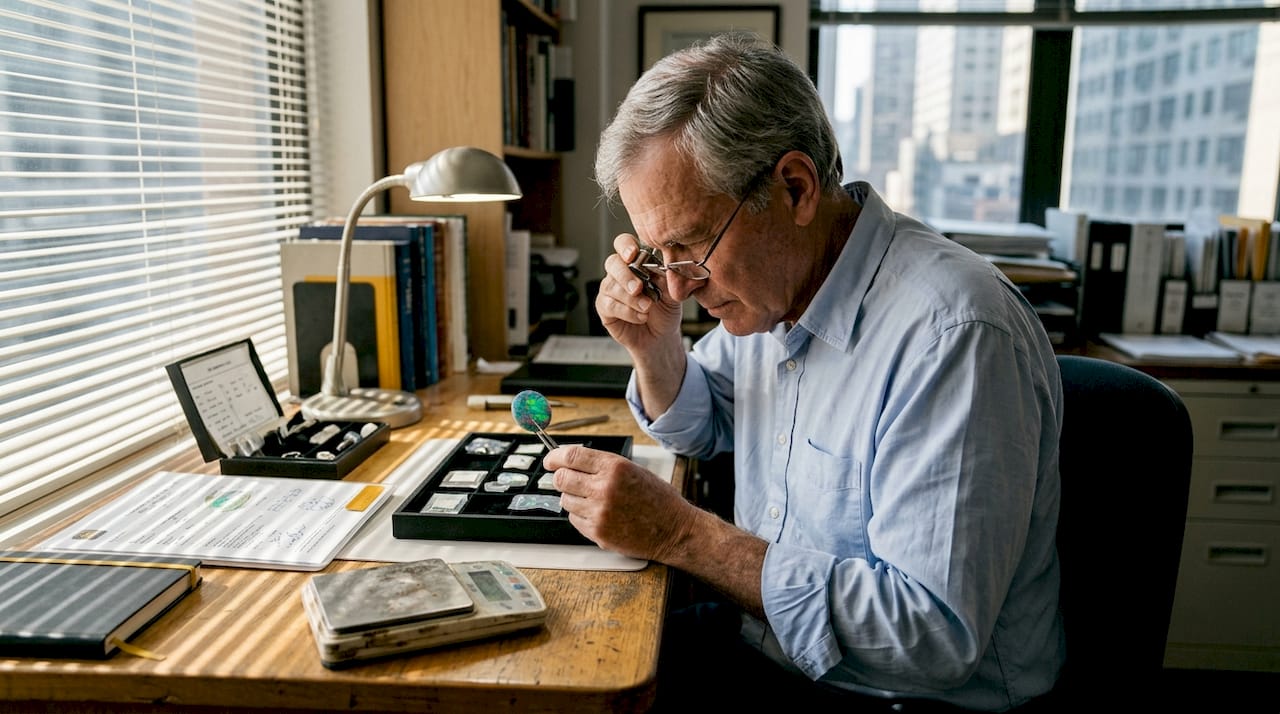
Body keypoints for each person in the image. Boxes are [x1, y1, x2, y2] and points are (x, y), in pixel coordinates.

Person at [542, 33, 1064, 712]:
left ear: (794, 188)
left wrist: (680, 533)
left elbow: (930, 637)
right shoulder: (779, 288)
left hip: (906, 700)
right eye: (656, 253)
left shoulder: (952, 334)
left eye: (689, 245)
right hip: (774, 646)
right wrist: (656, 348)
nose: (673, 287)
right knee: (573, 658)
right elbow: (708, 424)